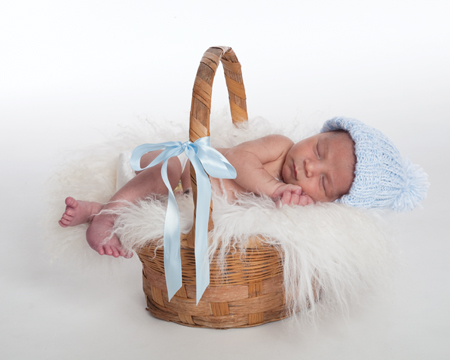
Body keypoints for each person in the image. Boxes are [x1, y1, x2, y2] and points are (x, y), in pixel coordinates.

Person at [58, 117, 428, 259]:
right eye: (318, 149)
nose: (308, 166)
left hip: (183, 202)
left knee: (167, 224)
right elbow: (237, 159)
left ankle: (95, 208)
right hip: (162, 166)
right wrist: (272, 189)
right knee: (179, 166)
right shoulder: (280, 146)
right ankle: (111, 210)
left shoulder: (301, 204)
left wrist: (288, 208)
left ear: (334, 202)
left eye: (323, 181)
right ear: (317, 132)